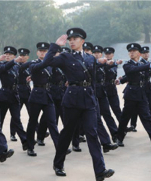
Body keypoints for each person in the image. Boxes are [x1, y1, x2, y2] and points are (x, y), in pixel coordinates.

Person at [44, 28, 114, 180]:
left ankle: (100, 171)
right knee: (67, 133)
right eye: (70, 39)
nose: (71, 41)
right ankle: (58, 164)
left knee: (92, 133)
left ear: (82, 41)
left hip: (88, 100)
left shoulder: (90, 58)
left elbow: (93, 81)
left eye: (75, 38)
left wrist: (94, 98)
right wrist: (55, 46)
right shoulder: (65, 57)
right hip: (72, 99)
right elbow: (47, 62)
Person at [116, 43, 151, 150]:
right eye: (130, 51)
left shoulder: (141, 64)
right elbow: (131, 71)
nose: (132, 53)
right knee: (125, 117)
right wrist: (121, 80)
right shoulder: (127, 65)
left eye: (134, 51)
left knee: (146, 117)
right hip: (131, 94)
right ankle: (119, 138)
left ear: (139, 53)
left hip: (141, 94)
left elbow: (144, 68)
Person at [26, 42, 59, 156]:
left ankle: (59, 147)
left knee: (52, 122)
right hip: (36, 95)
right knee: (32, 122)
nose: (42, 52)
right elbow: (40, 66)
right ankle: (30, 147)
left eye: (45, 51)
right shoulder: (33, 63)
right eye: (41, 51)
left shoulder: (51, 64)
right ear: (37, 52)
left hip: (48, 95)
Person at [0, 46, 28, 151]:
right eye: (6, 54)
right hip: (4, 95)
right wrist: (14, 61)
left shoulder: (16, 66)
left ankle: (24, 141)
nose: (7, 56)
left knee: (16, 119)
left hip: (14, 95)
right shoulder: (1, 65)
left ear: (14, 56)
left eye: (10, 54)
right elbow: (4, 69)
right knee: (0, 119)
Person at [127, 46, 151, 132]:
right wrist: (122, 80)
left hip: (147, 87)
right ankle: (133, 125)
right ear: (140, 54)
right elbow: (132, 73)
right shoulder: (141, 63)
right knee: (138, 108)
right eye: (144, 53)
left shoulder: (147, 62)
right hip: (140, 88)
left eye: (147, 52)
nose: (146, 54)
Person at [10, 48, 31, 141]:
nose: (22, 57)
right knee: (16, 114)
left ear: (27, 57)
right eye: (21, 55)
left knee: (32, 113)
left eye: (24, 55)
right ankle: (12, 133)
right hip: (19, 90)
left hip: (27, 91)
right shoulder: (16, 65)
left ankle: (38, 131)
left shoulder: (30, 66)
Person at [103, 47, 123, 126]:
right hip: (104, 88)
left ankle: (123, 126)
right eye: (106, 54)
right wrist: (115, 63)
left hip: (112, 88)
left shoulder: (114, 64)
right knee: (104, 111)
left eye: (109, 54)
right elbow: (106, 68)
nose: (107, 56)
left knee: (116, 108)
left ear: (113, 55)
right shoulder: (103, 63)